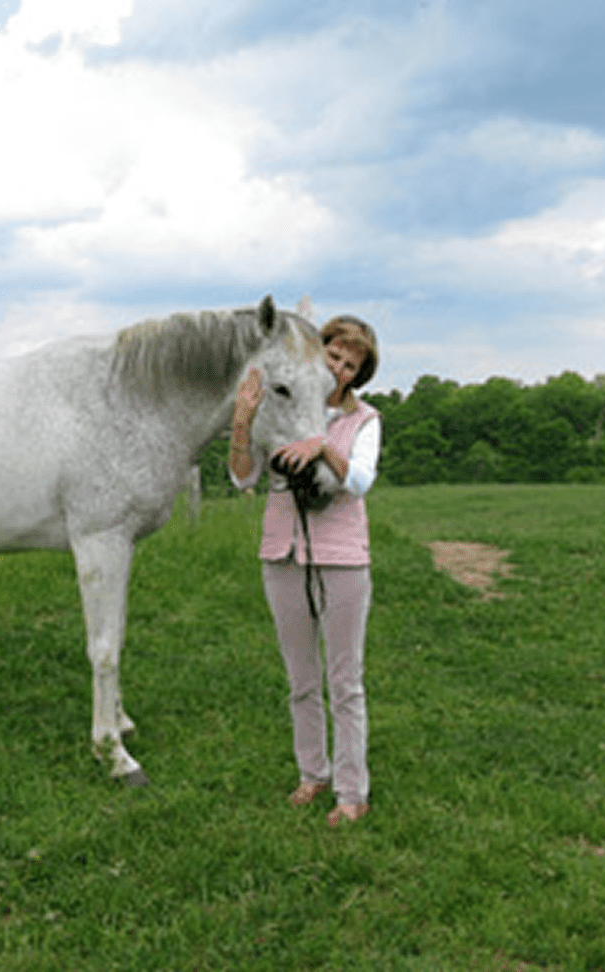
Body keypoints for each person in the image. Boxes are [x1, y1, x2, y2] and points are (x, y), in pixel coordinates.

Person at [230, 314, 381, 828]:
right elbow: (243, 476)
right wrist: (243, 420)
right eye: (332, 356)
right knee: (300, 680)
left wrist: (323, 446)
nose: (338, 368)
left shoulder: (364, 421)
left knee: (345, 681)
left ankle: (351, 790)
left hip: (341, 559)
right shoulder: (287, 405)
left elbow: (359, 481)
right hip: (282, 554)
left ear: (359, 374)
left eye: (349, 364)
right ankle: (311, 774)